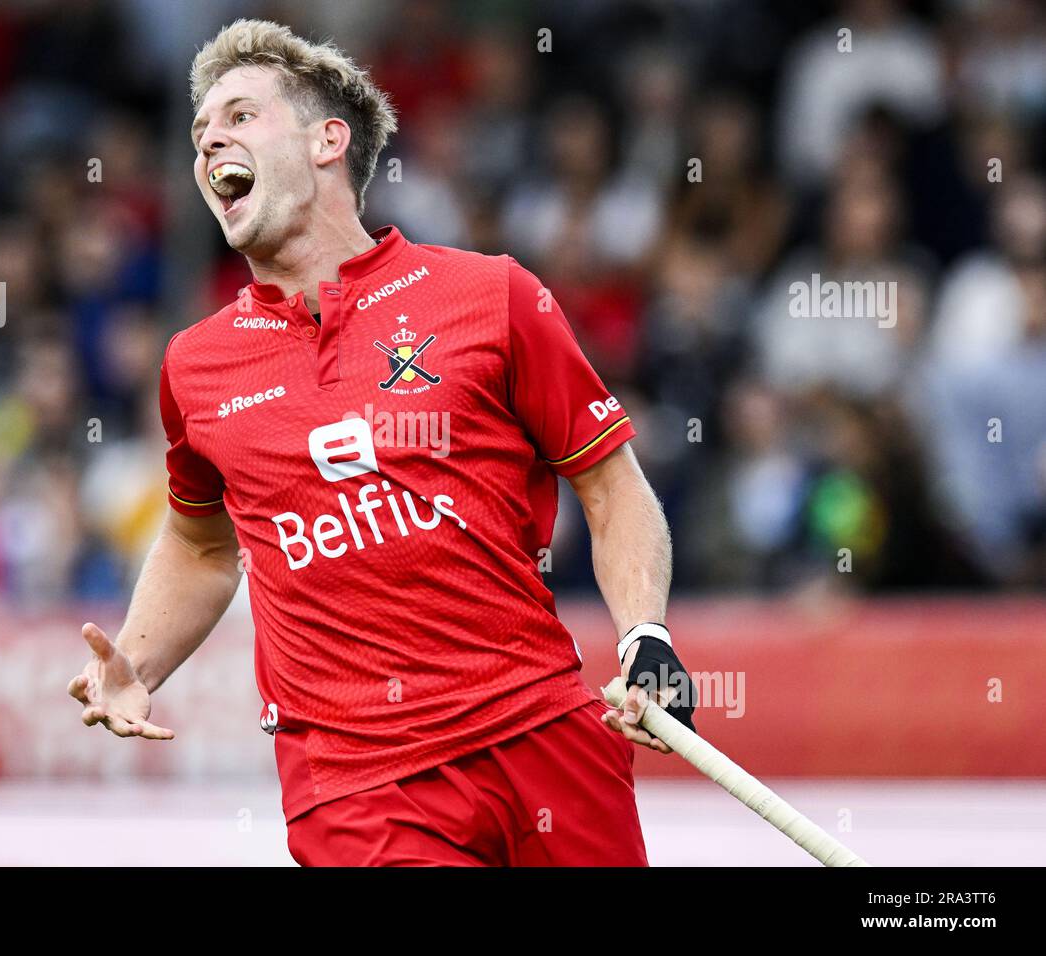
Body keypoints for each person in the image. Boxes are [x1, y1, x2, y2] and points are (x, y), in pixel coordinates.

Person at [67, 19, 695, 866]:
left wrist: (643, 637)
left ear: (329, 141)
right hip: (358, 783)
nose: (210, 138)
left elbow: (611, 486)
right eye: (199, 134)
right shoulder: (194, 365)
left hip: (542, 730)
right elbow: (201, 541)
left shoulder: (491, 295)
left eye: (241, 115)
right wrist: (138, 662)